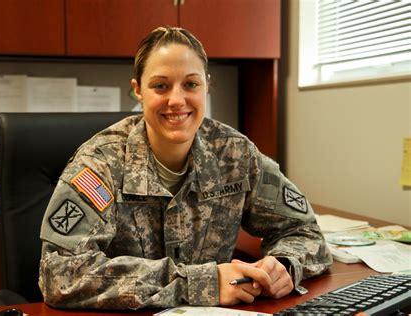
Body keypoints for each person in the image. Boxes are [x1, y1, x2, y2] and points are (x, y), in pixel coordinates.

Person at [38, 26, 332, 309]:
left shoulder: (236, 154)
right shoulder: (100, 164)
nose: (176, 100)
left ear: (206, 85)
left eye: (191, 84)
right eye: (161, 85)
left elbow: (305, 231)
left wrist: (283, 265)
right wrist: (203, 283)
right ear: (138, 90)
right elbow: (59, 273)